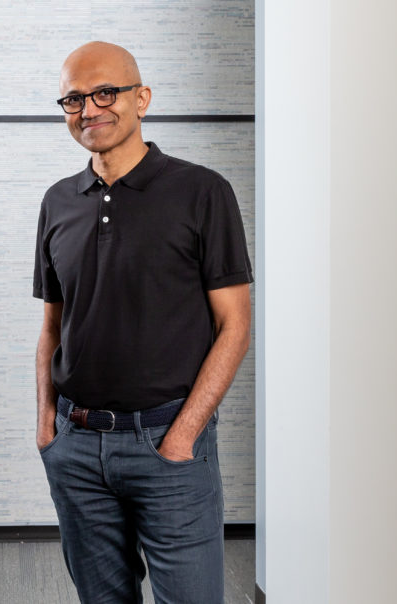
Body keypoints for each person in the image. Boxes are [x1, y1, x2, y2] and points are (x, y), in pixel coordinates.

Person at [33, 41, 253, 603]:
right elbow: (53, 327)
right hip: (77, 447)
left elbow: (235, 326)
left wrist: (183, 436)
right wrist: (47, 428)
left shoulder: (202, 191)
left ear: (141, 99)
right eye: (74, 99)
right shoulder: (59, 201)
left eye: (106, 92)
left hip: (167, 443)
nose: (90, 109)